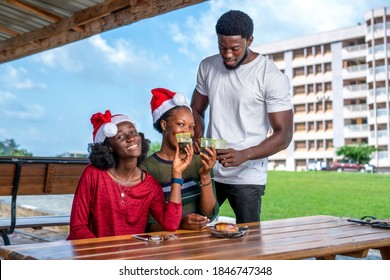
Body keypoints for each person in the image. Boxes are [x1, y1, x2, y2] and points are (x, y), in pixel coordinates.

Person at [190, 10, 293, 223]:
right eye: (222, 47)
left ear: (249, 40)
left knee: (249, 243)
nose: (228, 54)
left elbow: (284, 134)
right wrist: (198, 137)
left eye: (235, 48)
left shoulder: (270, 76)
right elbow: (197, 110)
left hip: (248, 175)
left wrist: (245, 154)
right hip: (209, 169)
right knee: (194, 230)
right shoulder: (207, 66)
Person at [67, 110, 193, 240]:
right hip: (95, 255)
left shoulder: (150, 185)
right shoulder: (93, 174)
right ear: (109, 147)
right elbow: (78, 228)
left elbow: (171, 224)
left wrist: (177, 174)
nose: (131, 138)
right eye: (120, 137)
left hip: (131, 255)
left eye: (133, 132)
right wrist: (104, 253)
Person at [140, 88, 219, 230]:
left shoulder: (199, 161)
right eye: (180, 124)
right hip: (167, 243)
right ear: (164, 125)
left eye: (191, 127)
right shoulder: (147, 168)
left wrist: (205, 175)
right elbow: (148, 225)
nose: (187, 132)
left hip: (198, 240)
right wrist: (181, 225)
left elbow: (210, 214)